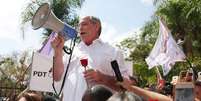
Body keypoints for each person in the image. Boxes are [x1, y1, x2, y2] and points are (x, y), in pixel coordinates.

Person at [51, 16, 130, 101]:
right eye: (78, 26)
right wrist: (58, 52)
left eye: (84, 24)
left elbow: (125, 86)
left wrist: (102, 77)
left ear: (96, 27)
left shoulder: (113, 51)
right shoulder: (73, 51)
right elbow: (57, 77)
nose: (80, 28)